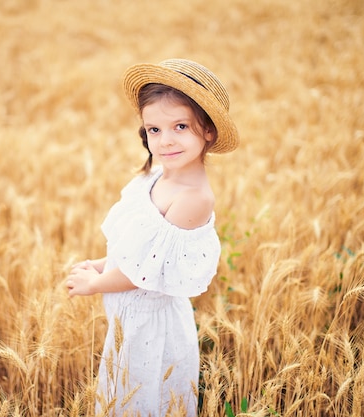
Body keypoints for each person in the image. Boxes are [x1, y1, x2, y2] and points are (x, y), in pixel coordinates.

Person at [66, 58, 239, 416]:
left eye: (180, 126)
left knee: (142, 401)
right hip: (128, 321)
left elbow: (140, 273)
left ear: (208, 131)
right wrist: (100, 264)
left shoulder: (194, 197)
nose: (165, 140)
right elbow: (135, 251)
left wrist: (94, 284)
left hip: (150, 327)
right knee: (120, 397)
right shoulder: (158, 176)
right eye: (154, 130)